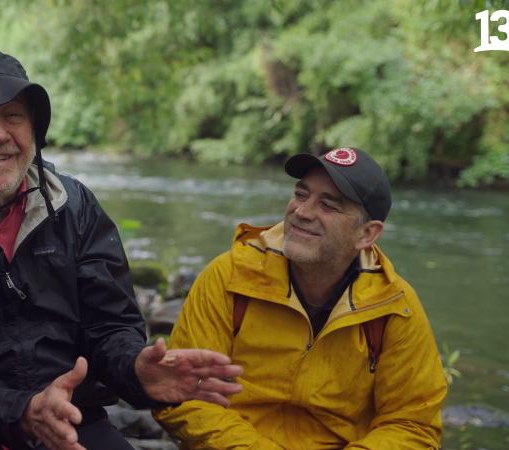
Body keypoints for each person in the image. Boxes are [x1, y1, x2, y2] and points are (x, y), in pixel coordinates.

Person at [0, 45, 242, 450]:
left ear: (33, 128)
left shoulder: (75, 208)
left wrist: (134, 369)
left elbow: (109, 327)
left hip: (69, 416)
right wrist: (23, 411)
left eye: (13, 116)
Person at [153, 148, 448, 449]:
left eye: (328, 205)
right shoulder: (228, 277)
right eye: (300, 194)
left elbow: (413, 424)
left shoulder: (394, 306)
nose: (302, 212)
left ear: (367, 234)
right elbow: (185, 392)